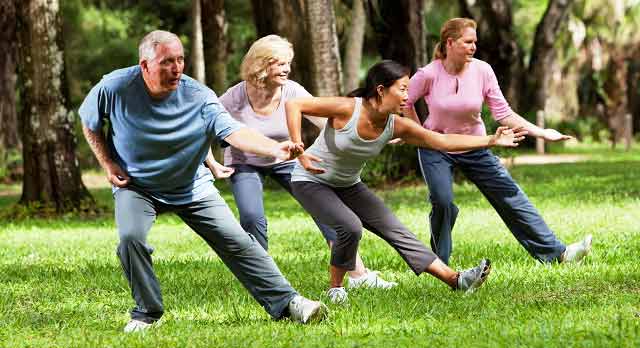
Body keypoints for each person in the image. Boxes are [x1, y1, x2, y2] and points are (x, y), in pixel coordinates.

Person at [78, 30, 327, 333]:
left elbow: (234, 132)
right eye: (167, 62)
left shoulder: (198, 96)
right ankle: (146, 313)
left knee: (238, 242)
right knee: (131, 239)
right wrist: (107, 162)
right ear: (145, 65)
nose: (177, 68)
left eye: (181, 60)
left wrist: (275, 147)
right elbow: (89, 122)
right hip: (137, 184)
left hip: (191, 186)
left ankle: (289, 302)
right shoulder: (115, 87)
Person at [285, 60, 527, 303]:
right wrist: (299, 148)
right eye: (402, 89)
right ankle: (335, 288)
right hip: (310, 180)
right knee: (350, 226)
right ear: (381, 90)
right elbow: (294, 104)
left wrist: (490, 141)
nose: (407, 96)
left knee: (396, 230)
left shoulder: (396, 125)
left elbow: (440, 141)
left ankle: (456, 280)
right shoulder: (347, 108)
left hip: (348, 184)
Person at [206, 35, 396, 289]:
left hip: (286, 157)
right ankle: (262, 279)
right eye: (279, 63)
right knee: (252, 217)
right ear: (261, 65)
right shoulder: (234, 97)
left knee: (326, 211)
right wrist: (212, 163)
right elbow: (203, 129)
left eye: (288, 63)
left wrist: (371, 132)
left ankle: (358, 275)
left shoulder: (292, 90)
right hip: (244, 162)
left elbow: (324, 121)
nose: (287, 69)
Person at [404, 18, 592, 265]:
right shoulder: (428, 74)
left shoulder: (483, 71)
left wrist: (542, 133)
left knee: (510, 195)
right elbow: (405, 102)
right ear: (450, 43)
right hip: (436, 147)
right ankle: (440, 264)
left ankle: (559, 254)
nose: (473, 47)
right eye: (468, 42)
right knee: (443, 201)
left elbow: (503, 113)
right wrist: (420, 134)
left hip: (476, 144)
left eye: (475, 42)